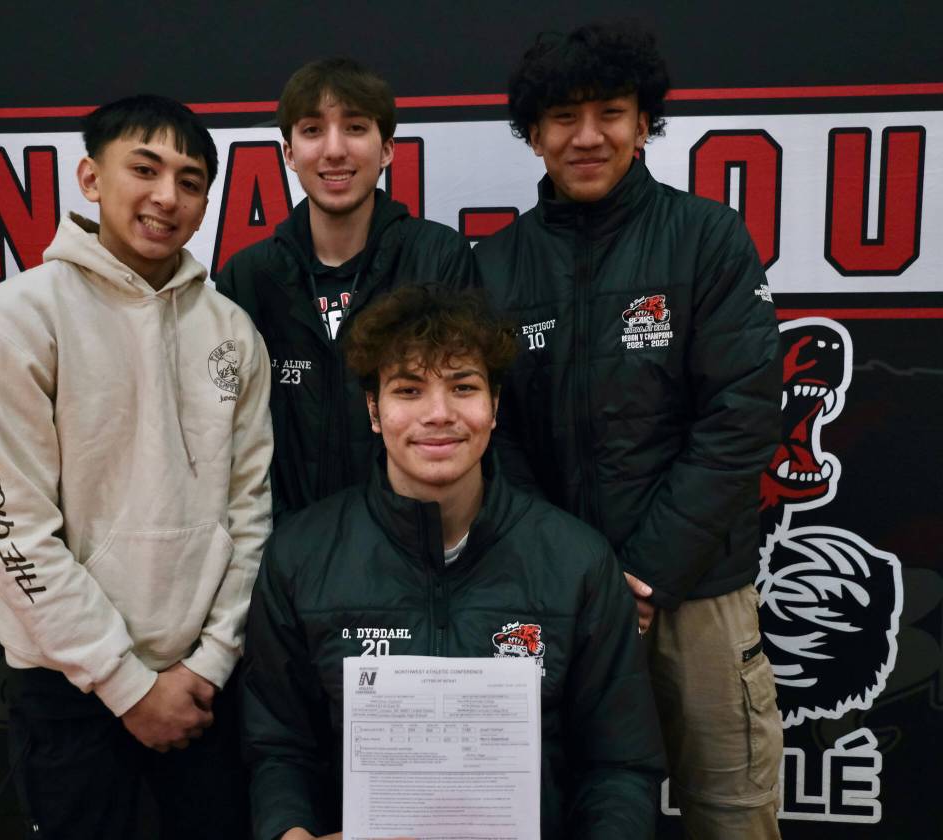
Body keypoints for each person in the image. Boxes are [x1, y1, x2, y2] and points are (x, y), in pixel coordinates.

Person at [473, 22, 784, 839]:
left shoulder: (708, 238)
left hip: (697, 595)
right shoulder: (494, 266)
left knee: (732, 818)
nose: (587, 137)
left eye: (610, 112)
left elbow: (741, 419)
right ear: (532, 134)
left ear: (644, 123)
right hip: (550, 598)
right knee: (563, 817)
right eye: (562, 118)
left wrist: (641, 577)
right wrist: (573, 569)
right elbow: (489, 436)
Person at [0, 94, 273, 839]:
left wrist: (210, 663)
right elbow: (12, 533)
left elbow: (252, 512)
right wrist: (128, 686)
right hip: (71, 692)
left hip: (205, 693)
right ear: (91, 178)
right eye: (146, 169)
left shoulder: (232, 331)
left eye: (190, 181)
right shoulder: (17, 318)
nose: (167, 196)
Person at [241, 285, 666, 840]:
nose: (438, 414)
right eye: (409, 390)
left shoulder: (577, 562)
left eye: (463, 387)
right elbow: (278, 746)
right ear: (374, 410)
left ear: (494, 406)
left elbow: (620, 765)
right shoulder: (301, 556)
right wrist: (288, 831)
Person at [216, 57, 476, 523]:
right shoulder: (247, 278)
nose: (334, 150)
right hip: (284, 556)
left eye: (355, 127)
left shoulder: (439, 259)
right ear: (289, 153)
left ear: (388, 148)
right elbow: (223, 438)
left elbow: (464, 413)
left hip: (409, 549)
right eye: (313, 130)